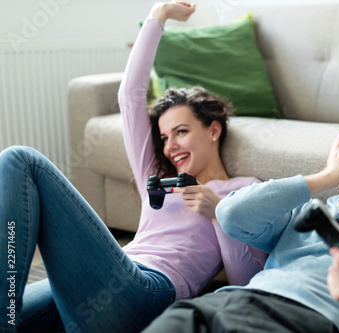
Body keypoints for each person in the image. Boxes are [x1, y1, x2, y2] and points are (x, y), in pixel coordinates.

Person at [0, 2, 266, 332]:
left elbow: (246, 284)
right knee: (11, 314)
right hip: (109, 275)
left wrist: (218, 212)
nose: (171, 146)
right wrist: (159, 14)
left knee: (20, 160)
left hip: (147, 292)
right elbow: (130, 95)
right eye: (165, 137)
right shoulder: (156, 177)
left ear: (213, 129)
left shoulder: (244, 189)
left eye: (181, 132)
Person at [143, 83, 339, 333]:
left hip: (308, 321)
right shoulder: (301, 208)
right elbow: (230, 213)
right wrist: (328, 176)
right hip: (222, 305)